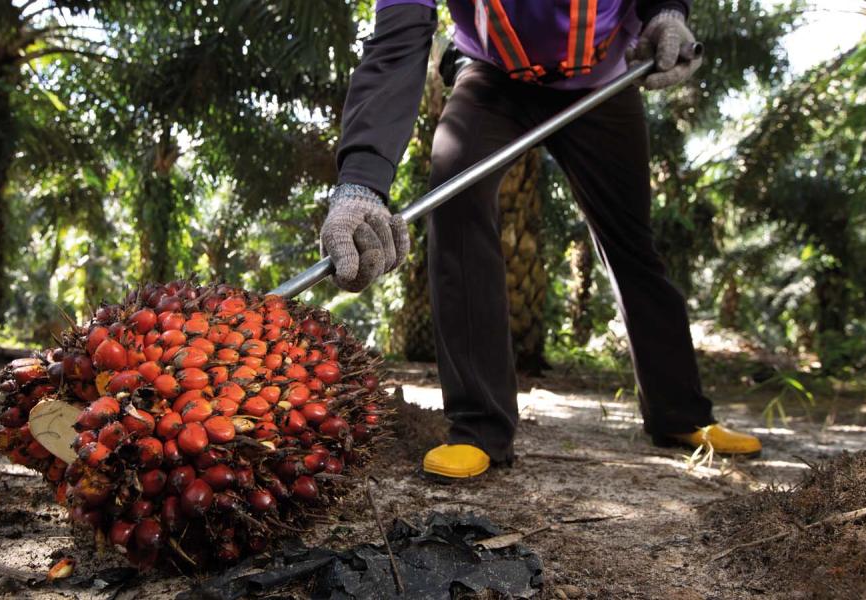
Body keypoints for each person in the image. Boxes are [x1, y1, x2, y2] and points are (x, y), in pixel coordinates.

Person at [319, 0, 762, 480]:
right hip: (493, 80)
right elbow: (397, 43)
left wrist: (666, 13)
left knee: (632, 243)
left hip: (601, 80)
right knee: (455, 197)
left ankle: (681, 414)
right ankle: (479, 429)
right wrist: (361, 182)